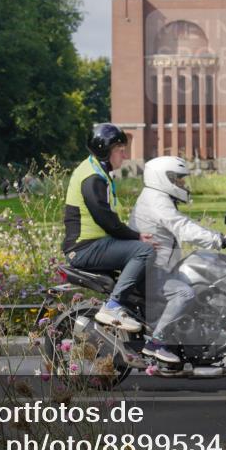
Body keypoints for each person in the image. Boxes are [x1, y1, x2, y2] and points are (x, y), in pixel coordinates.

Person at [129, 156, 226, 363]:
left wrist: (217, 237)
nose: (182, 184)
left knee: (202, 286)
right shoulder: (156, 200)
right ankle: (156, 343)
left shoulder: (158, 198)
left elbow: (182, 225)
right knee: (184, 293)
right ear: (163, 178)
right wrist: (217, 239)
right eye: (178, 179)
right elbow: (182, 227)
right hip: (150, 270)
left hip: (159, 267)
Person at [62, 123, 155, 331]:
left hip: (95, 245)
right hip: (84, 248)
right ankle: (113, 306)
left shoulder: (97, 172)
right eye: (121, 151)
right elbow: (107, 221)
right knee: (145, 251)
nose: (125, 156)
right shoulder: (92, 178)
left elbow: (112, 220)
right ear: (105, 151)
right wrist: (137, 237)